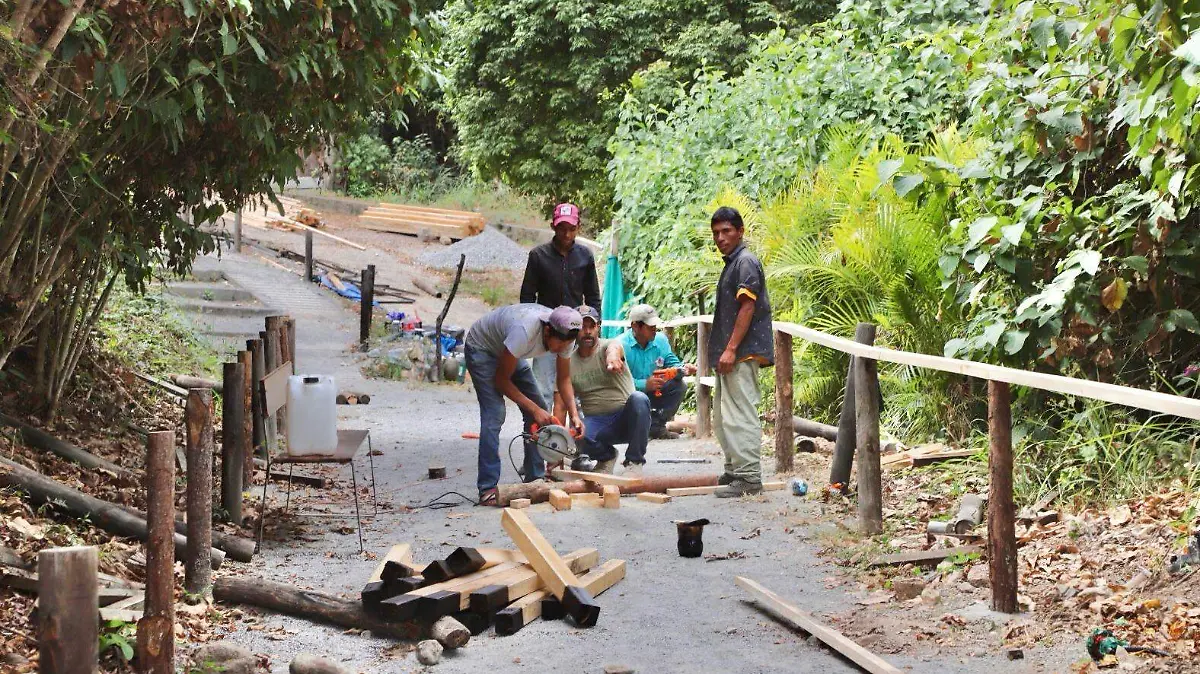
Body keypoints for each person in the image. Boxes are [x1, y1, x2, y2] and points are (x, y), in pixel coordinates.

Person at [464, 304, 586, 506]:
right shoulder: (524, 331)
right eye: (559, 344)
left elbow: (564, 379)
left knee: (539, 408)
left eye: (566, 345)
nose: (561, 349)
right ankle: (487, 488)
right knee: (495, 413)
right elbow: (501, 381)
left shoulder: (566, 336)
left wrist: (574, 415)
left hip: (510, 350)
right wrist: (534, 410)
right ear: (547, 330)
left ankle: (535, 479)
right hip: (482, 348)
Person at [708, 206, 774, 498]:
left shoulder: (745, 262)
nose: (720, 238)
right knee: (724, 416)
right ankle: (735, 470)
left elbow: (748, 306)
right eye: (716, 233)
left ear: (740, 231)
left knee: (740, 414)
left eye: (726, 231)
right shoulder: (734, 263)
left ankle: (748, 477)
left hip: (741, 352)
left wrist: (731, 349)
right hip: (731, 353)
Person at [519, 202, 601, 406]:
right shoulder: (538, 256)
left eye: (571, 229)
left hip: (575, 332)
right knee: (542, 388)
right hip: (546, 333)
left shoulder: (585, 256)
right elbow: (527, 297)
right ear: (553, 227)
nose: (566, 234)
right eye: (562, 228)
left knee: (577, 386)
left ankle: (579, 425)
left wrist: (594, 327)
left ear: (578, 227)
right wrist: (532, 329)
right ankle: (540, 425)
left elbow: (592, 295)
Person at [556, 306, 650, 476]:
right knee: (577, 434)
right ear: (575, 330)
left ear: (598, 327)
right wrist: (556, 451)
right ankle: (606, 457)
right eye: (582, 327)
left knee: (639, 399)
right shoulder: (568, 362)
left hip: (626, 417)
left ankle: (634, 462)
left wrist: (613, 357)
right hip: (598, 423)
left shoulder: (609, 345)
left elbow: (614, 348)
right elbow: (561, 406)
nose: (587, 332)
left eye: (591, 326)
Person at [620, 304, 696, 439]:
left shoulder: (661, 340)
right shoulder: (620, 345)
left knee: (679, 386)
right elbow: (618, 381)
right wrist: (644, 384)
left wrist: (683, 368)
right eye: (650, 326)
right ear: (635, 326)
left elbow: (671, 361)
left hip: (655, 392)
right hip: (627, 395)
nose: (654, 329)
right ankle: (629, 426)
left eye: (655, 325)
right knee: (634, 399)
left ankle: (656, 426)